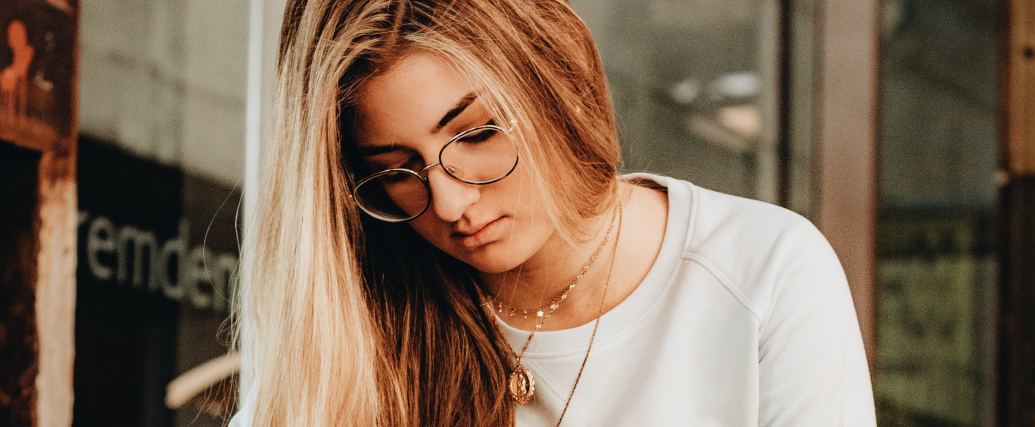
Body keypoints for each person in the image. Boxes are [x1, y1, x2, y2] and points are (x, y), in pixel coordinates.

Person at [230, 0, 875, 425]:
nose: (451, 203)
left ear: (554, 84)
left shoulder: (762, 272)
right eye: (396, 170)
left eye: (477, 135)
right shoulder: (355, 315)